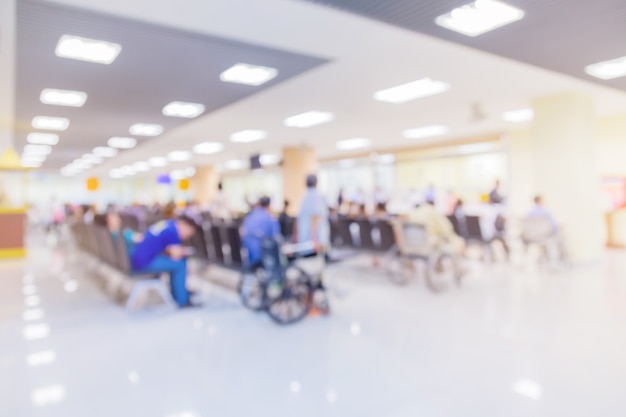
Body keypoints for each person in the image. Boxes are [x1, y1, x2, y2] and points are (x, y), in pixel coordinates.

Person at [130, 216, 199, 308]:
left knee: (175, 263)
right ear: (184, 225)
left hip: (138, 258)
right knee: (180, 264)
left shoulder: (167, 224)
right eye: (189, 233)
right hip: (144, 262)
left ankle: (179, 291)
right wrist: (187, 251)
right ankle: (182, 300)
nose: (187, 237)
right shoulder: (173, 231)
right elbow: (175, 254)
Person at [241, 196, 281, 267]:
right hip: (263, 256)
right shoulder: (270, 218)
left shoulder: (250, 216)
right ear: (269, 205)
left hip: (248, 254)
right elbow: (276, 237)